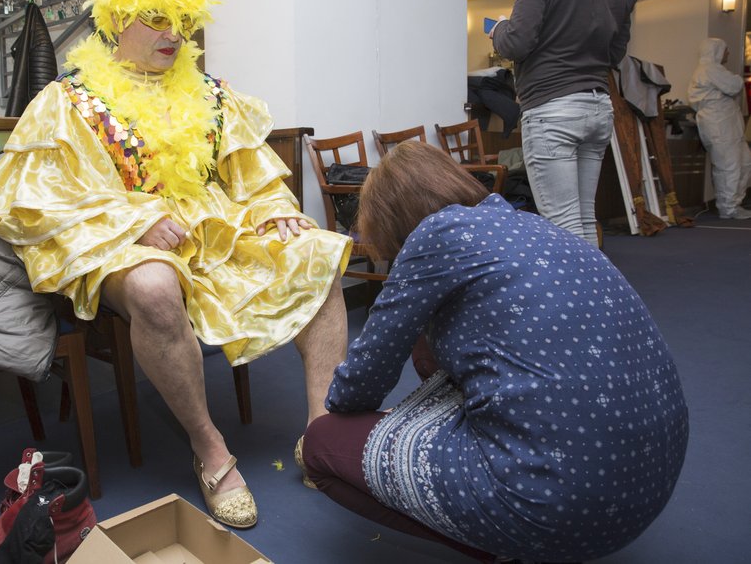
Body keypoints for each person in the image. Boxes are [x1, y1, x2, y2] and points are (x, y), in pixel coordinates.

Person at [0, 0, 351, 530]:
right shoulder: (68, 102)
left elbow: (252, 175)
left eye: (183, 19)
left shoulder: (214, 95)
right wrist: (138, 216)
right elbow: (39, 200)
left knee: (320, 255)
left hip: (215, 232)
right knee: (153, 290)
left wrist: (277, 206)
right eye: (156, 18)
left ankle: (323, 438)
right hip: (112, 240)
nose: (174, 33)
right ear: (119, 18)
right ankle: (210, 450)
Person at [303, 142, 689, 563]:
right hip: (651, 484)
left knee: (320, 446)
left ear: (391, 219)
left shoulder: (434, 235)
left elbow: (357, 389)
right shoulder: (531, 224)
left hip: (556, 508)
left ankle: (499, 545)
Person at [490, 0, 637, 246]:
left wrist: (498, 29)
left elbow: (516, 42)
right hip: (598, 107)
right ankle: (595, 295)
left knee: (562, 226)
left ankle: (582, 298)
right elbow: (615, 55)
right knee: (583, 218)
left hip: (553, 109)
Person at [687, 38, 751, 220]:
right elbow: (735, 86)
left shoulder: (713, 70)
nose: (728, 53)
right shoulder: (709, 69)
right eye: (726, 50)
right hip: (718, 124)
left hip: (728, 124)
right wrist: (738, 79)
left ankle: (734, 202)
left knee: (744, 162)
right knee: (728, 166)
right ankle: (727, 207)